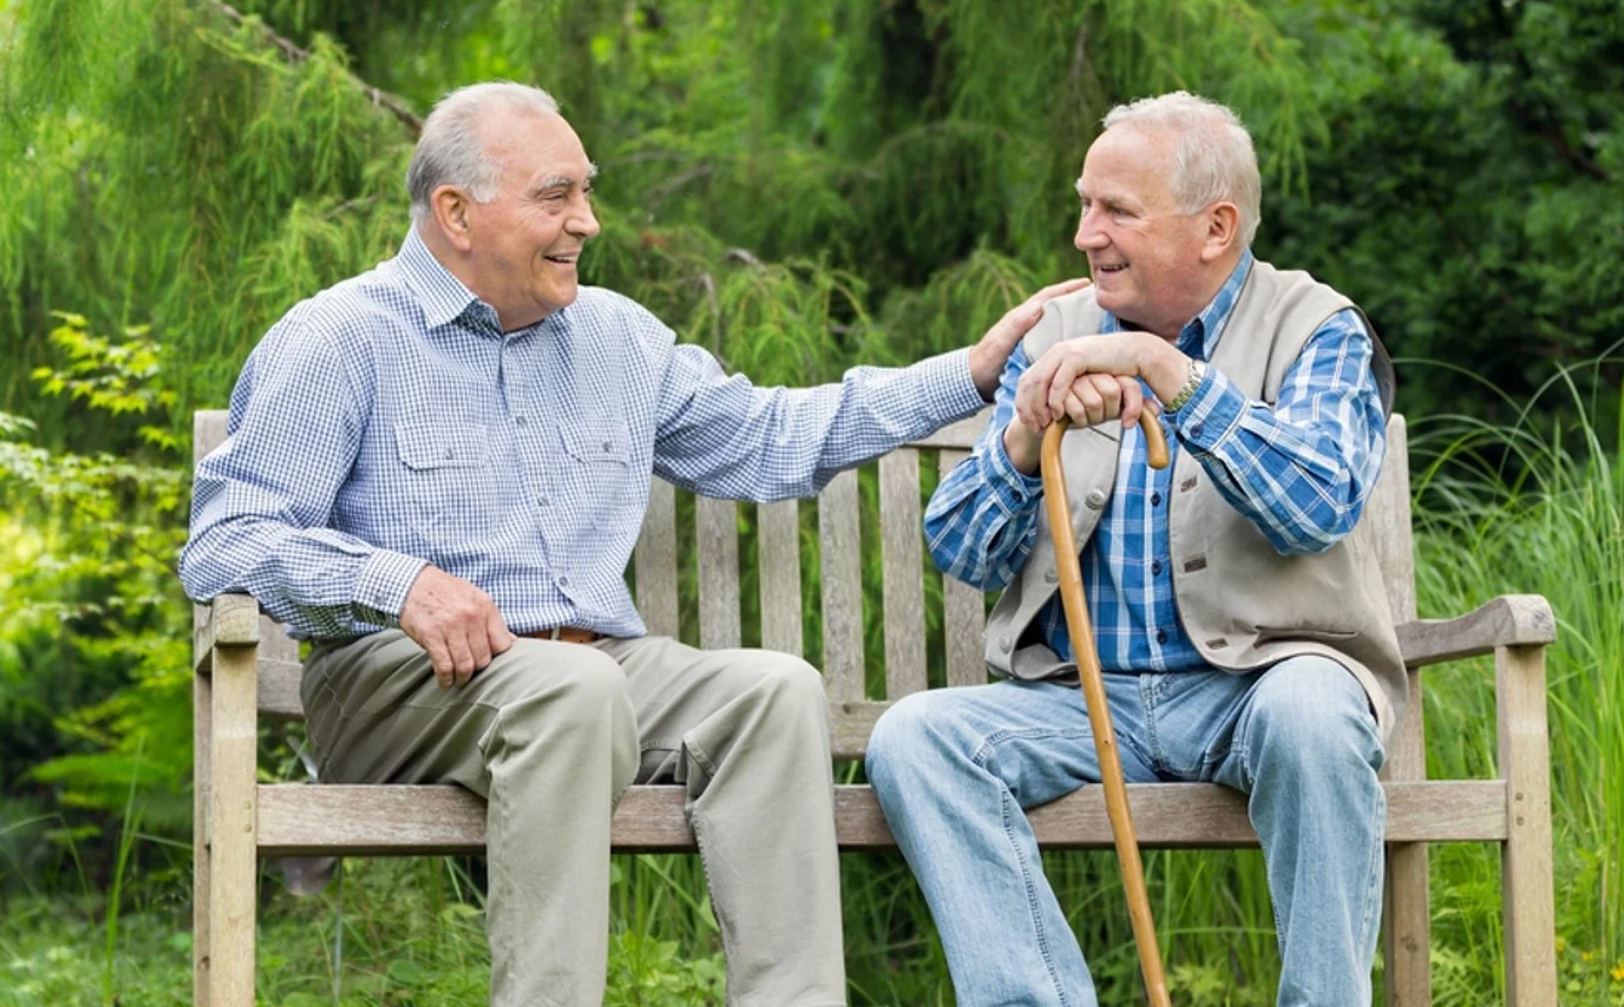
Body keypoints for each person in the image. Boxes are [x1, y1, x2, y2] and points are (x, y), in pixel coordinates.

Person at [178, 80, 1081, 1007]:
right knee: (577, 689)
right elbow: (226, 539)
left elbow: (772, 437)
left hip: (589, 673)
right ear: (456, 212)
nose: (589, 222)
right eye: (556, 195)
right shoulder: (338, 337)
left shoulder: (616, 340)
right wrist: (397, 580)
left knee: (773, 693)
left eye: (587, 191)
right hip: (396, 685)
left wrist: (969, 375)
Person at [864, 90, 1404, 1007]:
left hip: (1259, 687)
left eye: (1116, 210)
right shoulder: (1059, 336)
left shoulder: (1317, 329)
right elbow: (959, 547)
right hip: (1081, 701)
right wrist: (1023, 446)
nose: (1085, 234)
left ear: (1215, 227)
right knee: (915, 739)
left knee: (1316, 717)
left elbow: (1317, 503)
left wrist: (1177, 381)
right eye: (1084, 204)